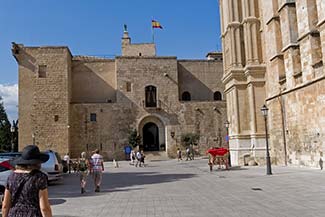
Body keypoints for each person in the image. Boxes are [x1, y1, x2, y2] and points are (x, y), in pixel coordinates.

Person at [2, 145, 52, 217]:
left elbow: (5, 205)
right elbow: (44, 208)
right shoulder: (39, 177)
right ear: (37, 162)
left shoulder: (11, 177)